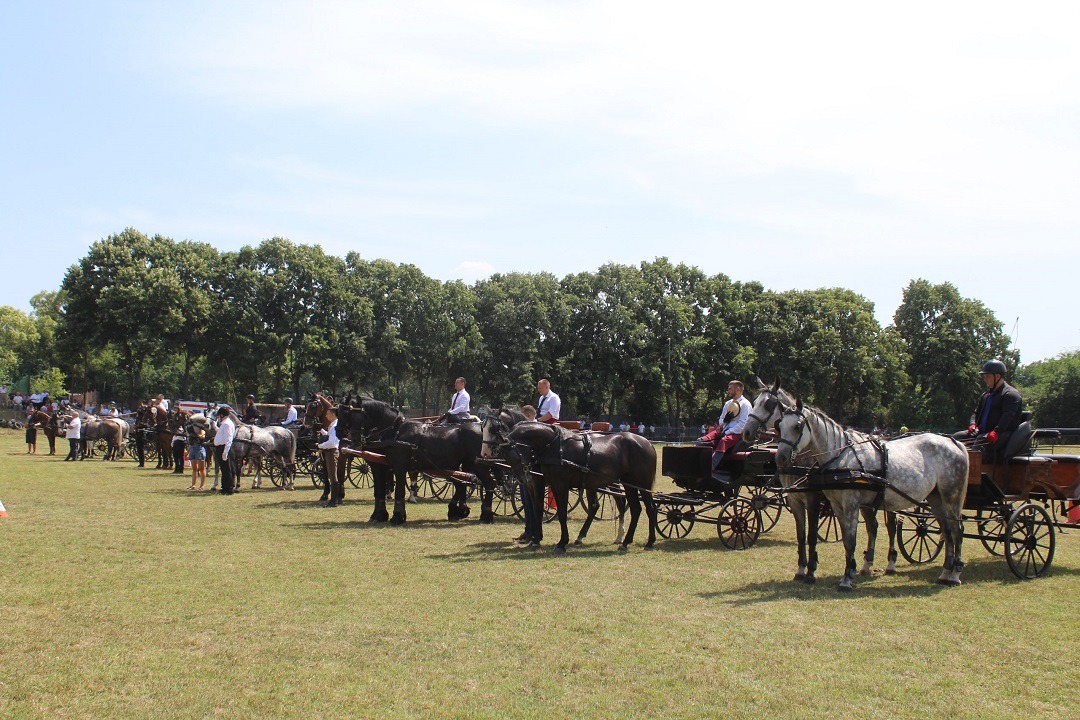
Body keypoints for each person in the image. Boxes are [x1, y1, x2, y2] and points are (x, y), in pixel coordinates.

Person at [961, 359, 1024, 462]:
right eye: (984, 377)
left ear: (997, 376)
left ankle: (973, 475)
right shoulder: (986, 395)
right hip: (983, 432)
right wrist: (973, 424)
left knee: (979, 443)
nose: (985, 380)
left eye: (988, 377)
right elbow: (976, 413)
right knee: (956, 438)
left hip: (1004, 434)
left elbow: (1007, 417)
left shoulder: (1011, 395)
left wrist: (996, 432)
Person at [697, 380, 753, 486]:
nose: (728, 390)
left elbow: (742, 425)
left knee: (723, 441)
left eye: (730, 388)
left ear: (738, 389)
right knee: (701, 440)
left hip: (737, 434)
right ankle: (698, 466)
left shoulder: (745, 405)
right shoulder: (728, 403)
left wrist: (727, 432)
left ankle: (709, 469)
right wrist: (725, 421)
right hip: (723, 430)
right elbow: (721, 420)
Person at [317, 406, 343, 507]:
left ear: (333, 414)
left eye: (328, 414)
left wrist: (319, 445)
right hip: (330, 451)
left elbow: (332, 442)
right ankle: (334, 499)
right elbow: (330, 436)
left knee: (333, 476)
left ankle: (334, 500)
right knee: (332, 475)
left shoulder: (334, 425)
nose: (326, 415)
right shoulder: (333, 425)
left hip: (332, 451)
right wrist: (322, 431)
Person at [214, 406, 236, 495]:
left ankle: (229, 488)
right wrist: (215, 427)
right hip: (221, 447)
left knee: (227, 469)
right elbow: (222, 434)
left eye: (219, 416)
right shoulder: (224, 424)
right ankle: (224, 487)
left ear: (222, 415)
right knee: (224, 469)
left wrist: (225, 452)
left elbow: (228, 439)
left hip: (224, 448)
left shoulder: (226, 424)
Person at [187, 426, 208, 490]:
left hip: (200, 448)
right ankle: (193, 485)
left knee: (201, 468)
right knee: (194, 469)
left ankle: (202, 486)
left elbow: (203, 436)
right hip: (193, 448)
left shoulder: (201, 429)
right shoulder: (190, 429)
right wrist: (188, 450)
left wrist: (196, 434)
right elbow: (191, 443)